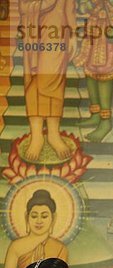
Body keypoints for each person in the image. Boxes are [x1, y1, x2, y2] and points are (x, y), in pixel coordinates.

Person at [19, 0, 77, 161]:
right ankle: (36, 134)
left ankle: (53, 133)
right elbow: (22, 5)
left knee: (53, 77)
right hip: (32, 27)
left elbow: (69, 5)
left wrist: (73, 33)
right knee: (33, 78)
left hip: (57, 27)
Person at [75, 0, 113, 143]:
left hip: (110, 34)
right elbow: (81, 8)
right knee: (90, 72)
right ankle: (95, 114)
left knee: (104, 73)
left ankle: (105, 121)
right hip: (92, 33)